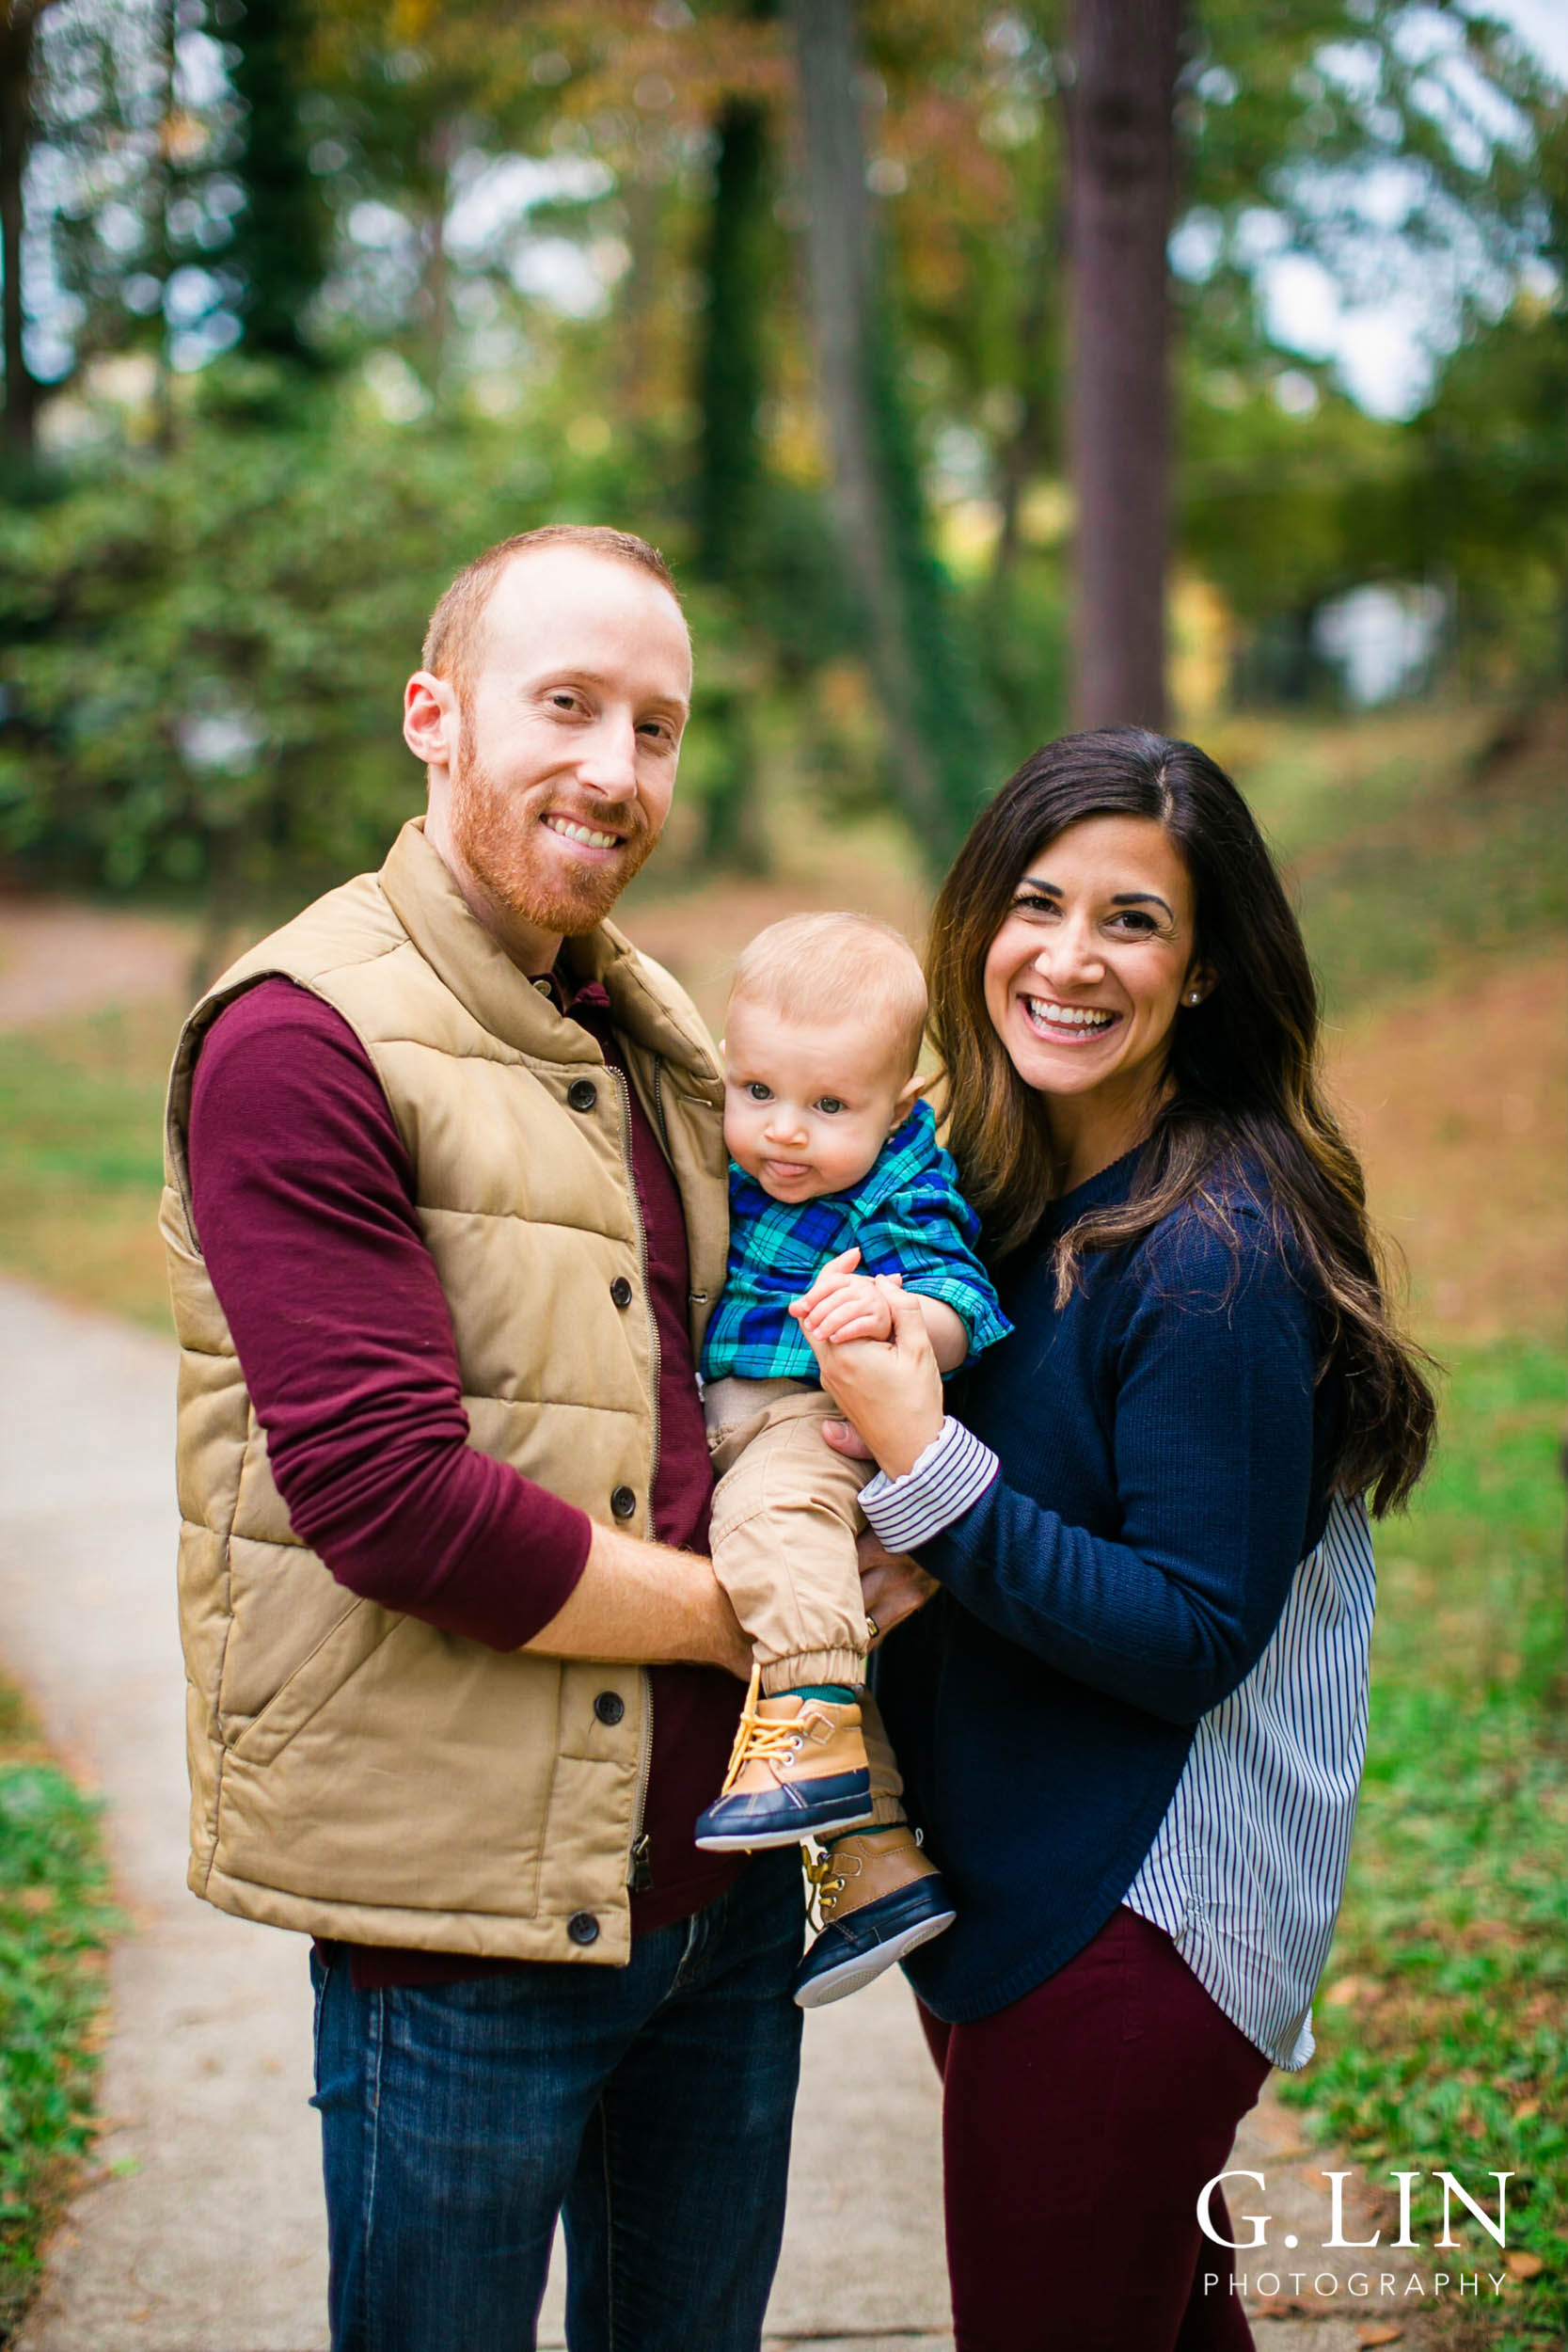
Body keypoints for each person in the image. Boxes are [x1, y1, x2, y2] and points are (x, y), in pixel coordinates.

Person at [160, 526, 806, 2352]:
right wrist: (749, 1617)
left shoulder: (648, 1018)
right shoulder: (300, 1037)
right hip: (460, 1924)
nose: (617, 767)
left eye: (656, 726)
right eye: (568, 705)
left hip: (721, 1891)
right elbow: (391, 1504)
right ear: (432, 717)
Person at [792, 728, 1436, 2352]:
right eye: (1036, 904)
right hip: (1022, 1879)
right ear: (977, 926)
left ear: (1206, 965)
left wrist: (923, 1470)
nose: (1069, 960)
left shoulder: (1215, 1248)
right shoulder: (989, 1203)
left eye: (1132, 921)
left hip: (1139, 1912)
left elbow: (1186, 1636)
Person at [689, 912, 1010, 2004]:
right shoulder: (728, 1157)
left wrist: (899, 1314)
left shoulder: (897, 1185)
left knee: (770, 1533)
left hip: (807, 1416)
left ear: (898, 1106)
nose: (784, 1132)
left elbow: (967, 1298)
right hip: (728, 1421)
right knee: (784, 1591)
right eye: (759, 1092)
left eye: (829, 1107)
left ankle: (811, 1725)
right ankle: (876, 1867)